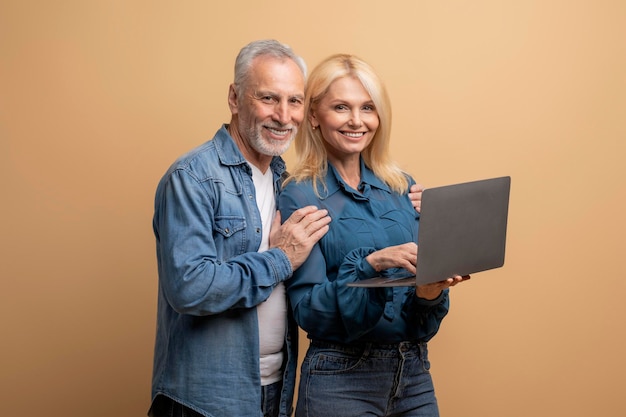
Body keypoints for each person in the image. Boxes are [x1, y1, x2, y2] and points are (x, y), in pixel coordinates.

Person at [148, 40, 333, 417]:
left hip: (273, 391)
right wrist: (280, 259)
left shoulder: (287, 181)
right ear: (235, 98)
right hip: (204, 399)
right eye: (269, 98)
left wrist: (408, 201)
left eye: (294, 101)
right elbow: (190, 287)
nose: (284, 116)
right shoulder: (192, 177)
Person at [278, 54, 469, 417]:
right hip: (340, 378)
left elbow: (420, 308)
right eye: (341, 107)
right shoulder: (299, 195)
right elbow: (307, 309)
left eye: (368, 107)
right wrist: (371, 264)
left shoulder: (405, 187)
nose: (357, 120)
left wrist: (430, 291)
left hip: (412, 373)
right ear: (314, 115)